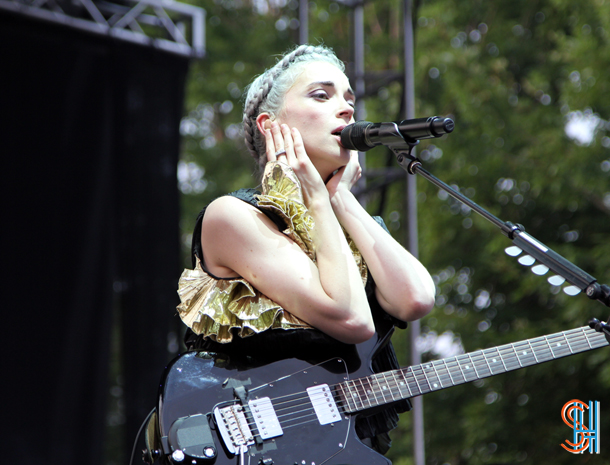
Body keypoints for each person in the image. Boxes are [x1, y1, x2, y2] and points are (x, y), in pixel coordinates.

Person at [176, 44, 436, 457]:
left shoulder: (342, 216)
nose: (348, 109)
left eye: (350, 98)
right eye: (322, 95)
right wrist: (317, 197)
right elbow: (352, 319)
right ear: (270, 125)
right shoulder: (233, 217)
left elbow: (416, 299)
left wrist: (341, 200)